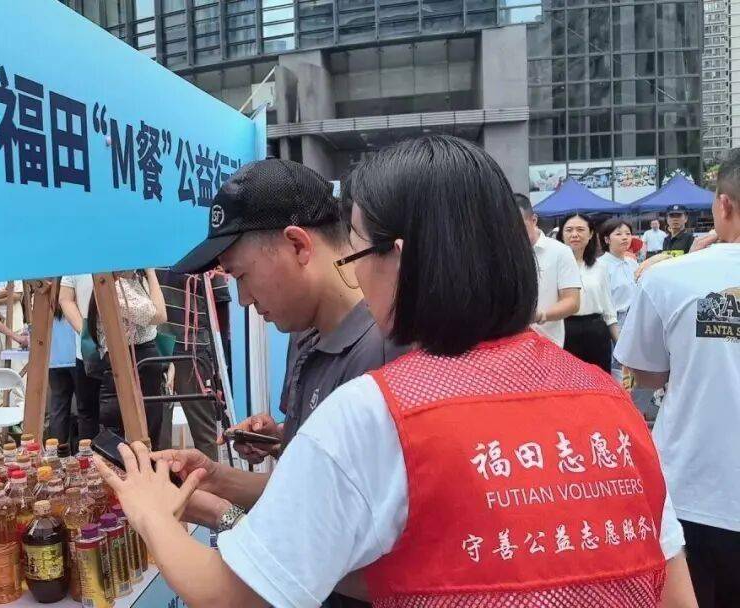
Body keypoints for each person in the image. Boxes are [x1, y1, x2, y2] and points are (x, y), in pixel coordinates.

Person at [99, 135, 695, 608]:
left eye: (358, 254)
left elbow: (231, 595)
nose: (355, 276)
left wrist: (151, 511)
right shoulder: (608, 399)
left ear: (402, 260)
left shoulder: (380, 409)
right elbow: (673, 589)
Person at [166, 159, 406, 608]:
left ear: (298, 245)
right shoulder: (305, 333)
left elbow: (383, 568)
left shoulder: (384, 358)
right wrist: (216, 477)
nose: (244, 299)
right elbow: (302, 498)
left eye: (242, 276)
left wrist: (223, 515)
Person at [614, 148, 740, 608]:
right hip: (695, 492)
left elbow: (644, 373)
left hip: (695, 489)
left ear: (722, 204)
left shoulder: (670, 278)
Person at [88, 269, 169, 446]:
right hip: (131, 359)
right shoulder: (115, 287)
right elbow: (160, 315)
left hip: (143, 359)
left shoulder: (134, 280)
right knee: (129, 436)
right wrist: (151, 273)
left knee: (149, 429)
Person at [154, 269, 223, 460]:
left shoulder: (203, 259)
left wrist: (220, 368)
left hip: (193, 351)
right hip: (157, 347)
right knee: (159, 435)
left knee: (204, 433)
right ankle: (164, 478)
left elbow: (220, 308)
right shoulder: (148, 258)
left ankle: (211, 477)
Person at [514, 194, 581, 347]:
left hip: (548, 343)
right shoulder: (502, 253)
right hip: (511, 347)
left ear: (534, 220)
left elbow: (572, 301)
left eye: (519, 225)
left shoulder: (559, 251)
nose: (513, 232)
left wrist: (541, 315)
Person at [555, 213, 618, 372]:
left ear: (590, 234)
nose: (574, 234)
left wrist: (619, 343)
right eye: (569, 230)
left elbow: (608, 309)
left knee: (599, 380)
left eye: (580, 229)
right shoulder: (553, 266)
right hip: (563, 330)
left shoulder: (600, 267)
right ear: (561, 234)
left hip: (596, 332)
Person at [58, 274, 101, 441]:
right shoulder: (74, 263)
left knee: (107, 413)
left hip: (123, 348)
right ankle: (89, 456)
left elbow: (65, 299)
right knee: (88, 412)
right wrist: (86, 333)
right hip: (87, 353)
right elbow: (65, 299)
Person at [47, 302, 80, 447]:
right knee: (85, 408)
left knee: (58, 408)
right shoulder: (74, 297)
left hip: (54, 359)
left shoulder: (48, 298)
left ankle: (56, 451)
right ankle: (86, 450)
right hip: (78, 357)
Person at [597, 218, 640, 330]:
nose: (625, 237)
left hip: (636, 319)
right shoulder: (600, 266)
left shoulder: (632, 263)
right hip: (614, 322)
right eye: (618, 234)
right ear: (607, 239)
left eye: (628, 234)